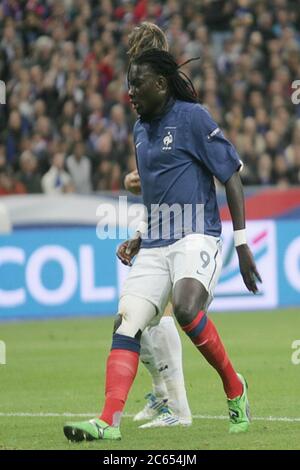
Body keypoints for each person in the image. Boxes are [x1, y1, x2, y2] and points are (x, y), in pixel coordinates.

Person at [63, 48, 261, 442]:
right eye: (128, 85)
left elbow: (232, 177)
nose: (130, 92)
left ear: (160, 84)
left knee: (186, 309)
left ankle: (234, 387)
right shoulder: (140, 129)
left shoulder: (193, 118)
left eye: (137, 84)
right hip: (155, 241)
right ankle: (108, 422)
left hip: (197, 234)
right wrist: (139, 237)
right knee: (127, 321)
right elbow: (156, 196)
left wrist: (241, 245)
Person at [125, 22, 192, 428]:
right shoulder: (146, 107)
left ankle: (177, 408)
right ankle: (164, 397)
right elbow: (153, 176)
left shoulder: (179, 108)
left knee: (163, 314)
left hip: (187, 226)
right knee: (133, 320)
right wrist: (132, 182)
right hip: (159, 224)